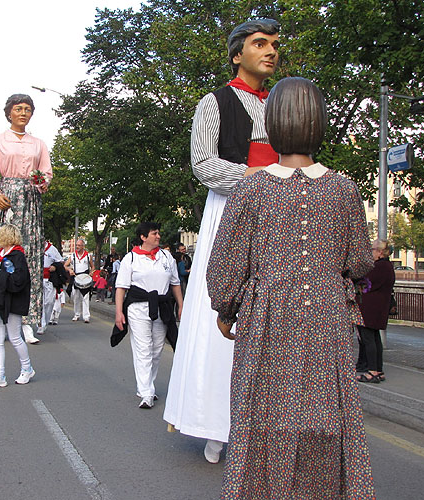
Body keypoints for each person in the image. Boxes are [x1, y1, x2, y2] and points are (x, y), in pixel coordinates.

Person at [207, 77, 375, 498]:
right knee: (327, 419)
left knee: (262, 418)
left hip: (267, 323)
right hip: (327, 320)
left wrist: (226, 310)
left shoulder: (251, 188)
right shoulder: (344, 189)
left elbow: (224, 270)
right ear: (319, 123)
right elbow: (359, 261)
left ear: (272, 124)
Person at [163, 18, 280, 464]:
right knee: (224, 309)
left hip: (279, 214)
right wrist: (258, 176)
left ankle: (268, 423)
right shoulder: (214, 102)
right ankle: (216, 424)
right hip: (231, 211)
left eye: (273, 44)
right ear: (237, 54)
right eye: (259, 43)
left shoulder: (283, 102)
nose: (270, 51)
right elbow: (204, 164)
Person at [0, 94, 51, 346]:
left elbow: (46, 172)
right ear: (9, 113)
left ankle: (26, 321)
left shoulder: (39, 144)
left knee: (28, 258)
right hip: (5, 201)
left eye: (27, 109)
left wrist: (41, 181)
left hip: (30, 202)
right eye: (18, 109)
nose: (23, 113)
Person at [113, 222, 183, 409]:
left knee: (156, 349)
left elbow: (175, 283)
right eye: (154, 233)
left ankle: (146, 385)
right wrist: (119, 312)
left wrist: (181, 305)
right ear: (143, 237)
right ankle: (146, 392)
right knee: (143, 349)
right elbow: (121, 287)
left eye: (158, 233)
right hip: (138, 308)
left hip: (162, 307)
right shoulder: (131, 258)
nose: (158, 236)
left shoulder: (166, 257)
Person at [0, 224, 34, 388]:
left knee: (15, 337)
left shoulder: (18, 256)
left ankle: (27, 368)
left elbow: (19, 280)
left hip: (12, 301)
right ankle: (0, 375)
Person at [355, 239, 395, 382]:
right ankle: (378, 370)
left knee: (368, 339)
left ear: (380, 252)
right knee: (375, 338)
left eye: (372, 249)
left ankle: (372, 371)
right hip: (379, 308)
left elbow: (363, 282)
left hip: (370, 308)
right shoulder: (387, 266)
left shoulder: (379, 267)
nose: (370, 252)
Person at [38, 240, 64, 335]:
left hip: (49, 280)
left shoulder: (52, 249)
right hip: (38, 279)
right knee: (40, 302)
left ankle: (45, 320)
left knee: (49, 302)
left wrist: (55, 267)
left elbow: (60, 261)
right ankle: (41, 324)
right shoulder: (35, 247)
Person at [65, 239, 94, 323]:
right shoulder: (73, 255)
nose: (77, 247)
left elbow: (92, 266)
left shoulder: (88, 255)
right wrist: (69, 270)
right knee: (76, 297)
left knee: (85, 297)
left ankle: (86, 316)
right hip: (76, 277)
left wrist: (91, 272)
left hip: (85, 278)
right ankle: (77, 314)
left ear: (83, 246)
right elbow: (65, 265)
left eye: (79, 245)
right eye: (76, 245)